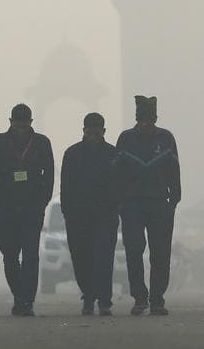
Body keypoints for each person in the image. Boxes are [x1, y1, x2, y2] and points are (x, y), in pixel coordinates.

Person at [0, 103, 54, 316]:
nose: (21, 129)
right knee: (10, 255)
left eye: (25, 125)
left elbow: (49, 173)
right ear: (11, 122)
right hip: (4, 207)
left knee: (31, 254)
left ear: (31, 122)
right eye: (18, 125)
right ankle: (19, 295)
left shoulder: (42, 143)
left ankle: (27, 301)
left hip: (32, 206)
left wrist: (43, 199)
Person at [115, 95, 181, 316]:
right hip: (132, 204)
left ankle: (157, 299)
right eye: (142, 119)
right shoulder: (126, 139)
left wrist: (174, 199)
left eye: (150, 119)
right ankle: (139, 297)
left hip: (160, 203)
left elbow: (174, 170)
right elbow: (117, 172)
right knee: (134, 250)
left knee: (160, 253)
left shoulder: (166, 138)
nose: (146, 124)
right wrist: (120, 201)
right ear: (137, 118)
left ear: (155, 118)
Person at [60, 112, 120, 316]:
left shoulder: (114, 154)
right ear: (83, 130)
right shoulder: (72, 154)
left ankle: (104, 300)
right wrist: (67, 211)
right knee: (81, 258)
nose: (93, 135)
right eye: (89, 131)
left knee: (103, 258)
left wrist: (116, 207)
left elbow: (120, 183)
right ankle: (88, 295)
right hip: (78, 215)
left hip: (106, 214)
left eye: (96, 131)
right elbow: (65, 186)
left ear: (103, 131)